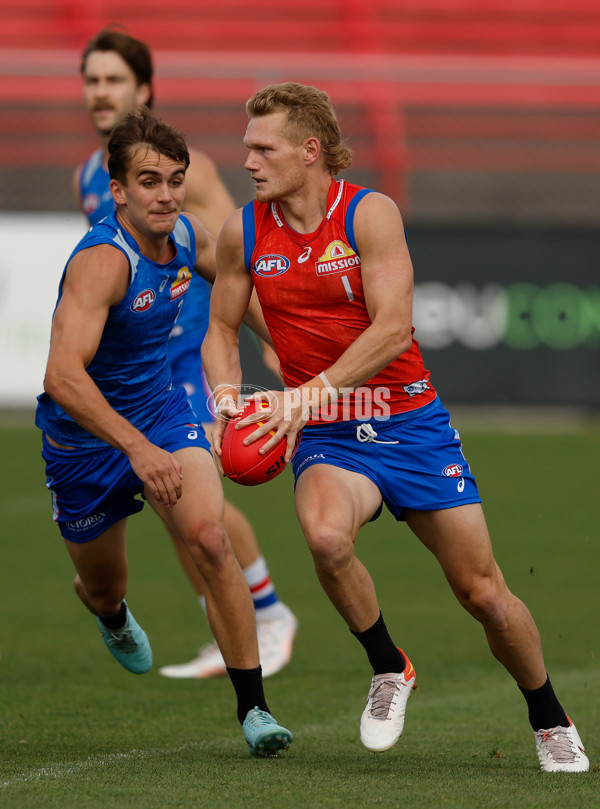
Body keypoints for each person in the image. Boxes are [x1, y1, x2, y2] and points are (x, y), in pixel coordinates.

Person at [201, 81, 589, 773]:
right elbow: (221, 328)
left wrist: (304, 394)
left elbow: (392, 329)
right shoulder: (244, 229)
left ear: (310, 150)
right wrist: (228, 394)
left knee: (483, 593)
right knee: (324, 535)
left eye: (264, 148)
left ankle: (549, 715)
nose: (249, 161)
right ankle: (389, 665)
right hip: (329, 427)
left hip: (408, 419)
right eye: (247, 148)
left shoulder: (368, 214)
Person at [35, 108, 293, 757]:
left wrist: (292, 353)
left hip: (162, 413)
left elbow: (240, 291)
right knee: (104, 584)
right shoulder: (102, 262)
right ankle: (110, 613)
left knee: (209, 537)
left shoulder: (187, 235)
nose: (166, 195)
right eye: (148, 182)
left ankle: (255, 708)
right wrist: (135, 448)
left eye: (174, 180)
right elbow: (63, 377)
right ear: (117, 190)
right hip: (85, 439)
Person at [73, 27, 297, 679]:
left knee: (195, 497)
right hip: (137, 365)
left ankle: (269, 612)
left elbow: (235, 253)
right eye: (92, 81)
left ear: (143, 89)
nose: (100, 92)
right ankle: (226, 620)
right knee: (172, 501)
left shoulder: (186, 171)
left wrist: (265, 339)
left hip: (189, 358)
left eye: (114, 80)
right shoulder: (92, 175)